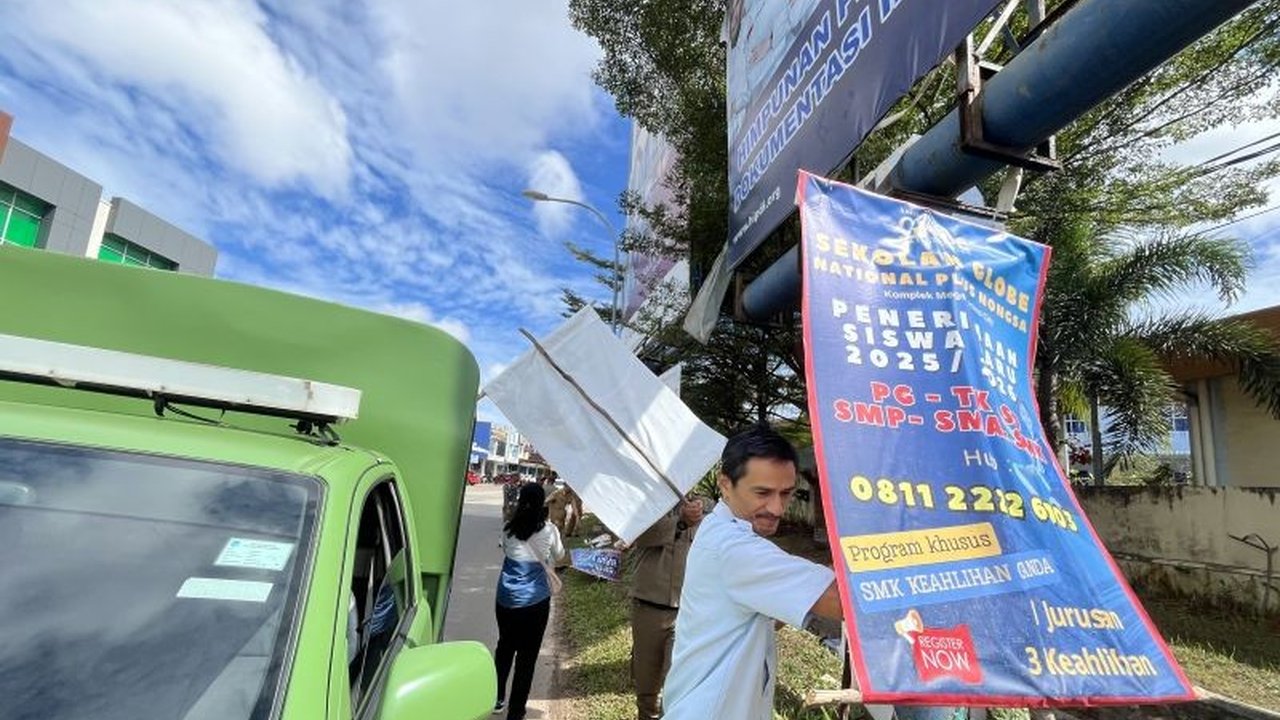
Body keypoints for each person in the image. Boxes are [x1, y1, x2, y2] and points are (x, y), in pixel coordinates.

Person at [661, 424, 842, 720]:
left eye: (786, 493)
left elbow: (766, 611)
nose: (777, 508)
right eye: (762, 492)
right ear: (725, 484)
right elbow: (841, 602)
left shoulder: (717, 528)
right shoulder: (735, 549)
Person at [628, 494, 704, 720]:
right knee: (647, 689)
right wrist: (680, 521)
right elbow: (638, 535)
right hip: (648, 610)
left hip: (686, 614)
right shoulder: (648, 506)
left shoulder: (703, 508)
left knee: (678, 690)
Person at [493, 482, 565, 720]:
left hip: (505, 599)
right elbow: (560, 555)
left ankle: (497, 698)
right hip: (535, 602)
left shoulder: (508, 528)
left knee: (504, 647)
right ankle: (516, 712)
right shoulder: (549, 530)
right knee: (527, 657)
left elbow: (506, 550)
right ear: (541, 503)